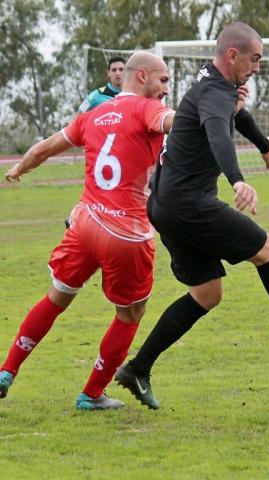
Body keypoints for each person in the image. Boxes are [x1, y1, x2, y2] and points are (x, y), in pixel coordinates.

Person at [114, 22, 269, 410]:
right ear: (233, 55)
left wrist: (264, 144)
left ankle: (137, 368)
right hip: (189, 204)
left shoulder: (214, 84)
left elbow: (233, 115)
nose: (257, 67)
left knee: (207, 294)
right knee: (268, 249)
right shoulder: (214, 90)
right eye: (255, 59)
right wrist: (238, 179)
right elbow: (217, 131)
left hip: (165, 205)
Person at [0, 52, 174, 410]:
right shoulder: (145, 109)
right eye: (163, 81)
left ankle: (6, 371)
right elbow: (173, 121)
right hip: (125, 234)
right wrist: (212, 107)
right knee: (131, 313)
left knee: (56, 297)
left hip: (84, 226)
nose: (165, 90)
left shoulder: (93, 115)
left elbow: (46, 148)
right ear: (141, 76)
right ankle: (92, 394)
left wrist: (20, 168)